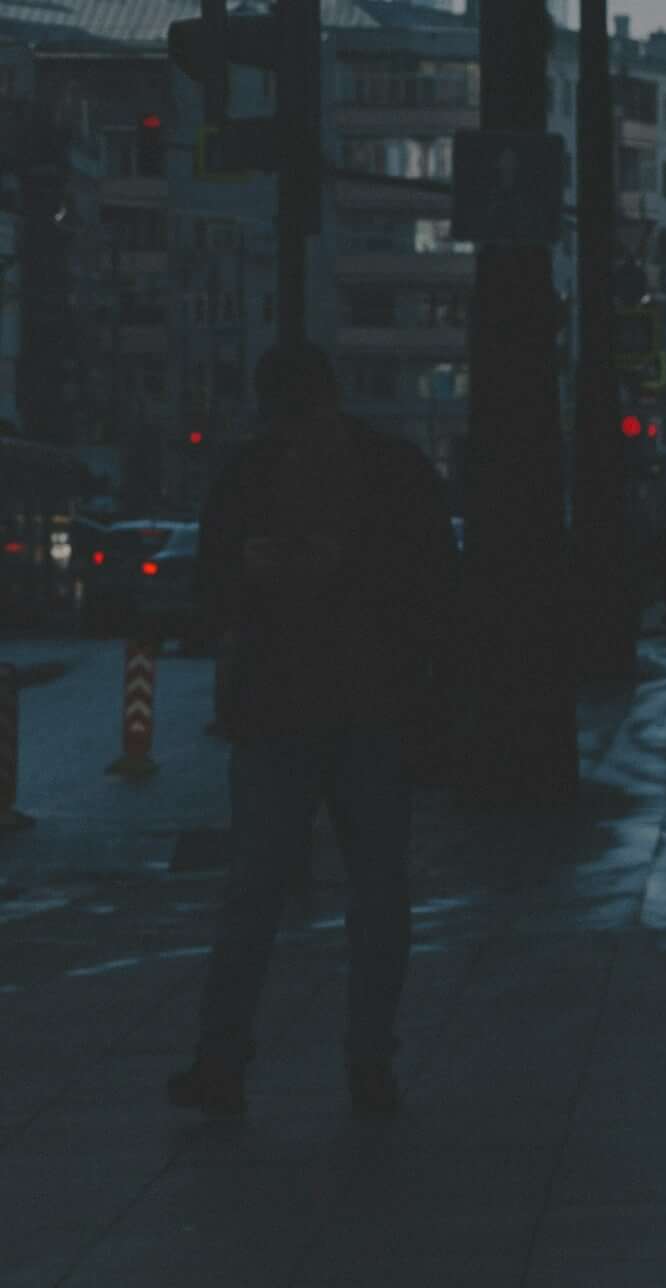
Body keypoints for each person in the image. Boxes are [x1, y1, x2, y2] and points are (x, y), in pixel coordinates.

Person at [167, 344, 455, 1121]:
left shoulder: (248, 475)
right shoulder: (393, 471)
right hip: (370, 704)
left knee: (255, 891)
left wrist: (253, 573)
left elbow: (207, 595)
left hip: (279, 707)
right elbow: (434, 580)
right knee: (376, 892)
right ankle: (368, 1064)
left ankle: (223, 1060)